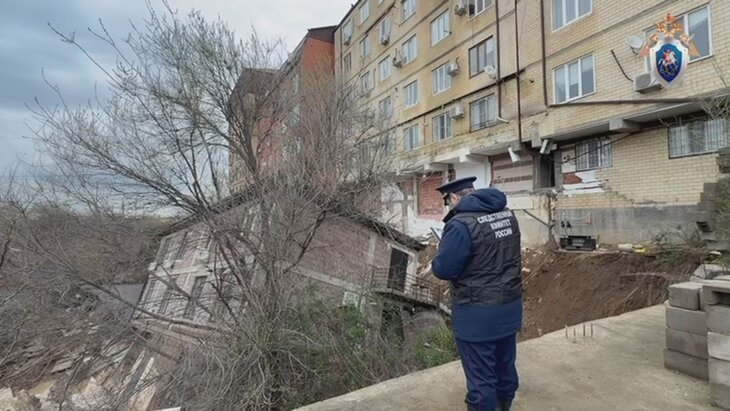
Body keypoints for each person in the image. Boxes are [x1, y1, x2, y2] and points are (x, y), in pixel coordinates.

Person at [431, 176, 523, 411]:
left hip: (477, 315)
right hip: (510, 307)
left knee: (481, 378)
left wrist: (439, 255)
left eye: (447, 201)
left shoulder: (460, 225)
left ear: (454, 197)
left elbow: (445, 269)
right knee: (505, 366)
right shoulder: (507, 215)